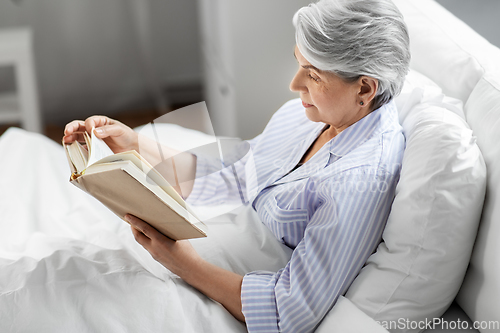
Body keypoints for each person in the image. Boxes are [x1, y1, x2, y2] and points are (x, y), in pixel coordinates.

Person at [63, 0, 410, 331]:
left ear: (364, 88)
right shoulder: (306, 117)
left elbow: (287, 312)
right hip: (194, 250)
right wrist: (135, 146)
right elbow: (234, 178)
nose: (294, 85)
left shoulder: (359, 181)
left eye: (313, 76)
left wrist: (183, 263)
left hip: (212, 286)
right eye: (298, 63)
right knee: (67, 270)